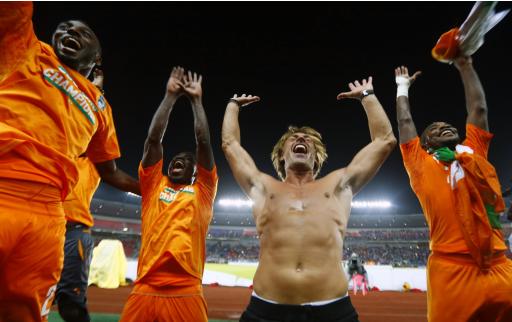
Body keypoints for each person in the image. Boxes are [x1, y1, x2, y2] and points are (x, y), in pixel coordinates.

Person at [0, 3, 139, 321]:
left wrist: (156, 188)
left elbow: (111, 172)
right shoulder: (28, 50)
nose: (70, 31)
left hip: (48, 215)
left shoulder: (100, 106)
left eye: (83, 31)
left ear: (98, 59)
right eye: (64, 26)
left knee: (24, 313)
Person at [222, 76, 396, 321]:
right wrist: (233, 105)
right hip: (266, 310)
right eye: (293, 139)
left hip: (333, 310)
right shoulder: (263, 187)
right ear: (281, 156)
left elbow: (385, 141)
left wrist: (368, 97)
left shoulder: (338, 184)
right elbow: (230, 144)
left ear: (317, 157)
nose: (301, 139)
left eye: (308, 141)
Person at [395, 58, 512, 321]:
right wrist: (402, 87)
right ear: (424, 144)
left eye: (448, 126)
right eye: (435, 129)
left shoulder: (473, 154)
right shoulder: (420, 164)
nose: (445, 126)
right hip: (452, 270)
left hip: (499, 266)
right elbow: (404, 123)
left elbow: (479, 109)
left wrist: (465, 64)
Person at [119, 67, 217, 322]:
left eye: (187, 161)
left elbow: (203, 142)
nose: (180, 160)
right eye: (176, 158)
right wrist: (170, 97)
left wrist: (196, 102)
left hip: (186, 291)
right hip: (145, 288)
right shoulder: (154, 185)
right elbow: (153, 140)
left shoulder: (203, 191)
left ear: (196, 174)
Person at [55, 70, 140, 322]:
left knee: (71, 304)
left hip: (73, 230)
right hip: (38, 221)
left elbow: (120, 178)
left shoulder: (96, 161)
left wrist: (153, 189)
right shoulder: (54, 146)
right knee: (22, 294)